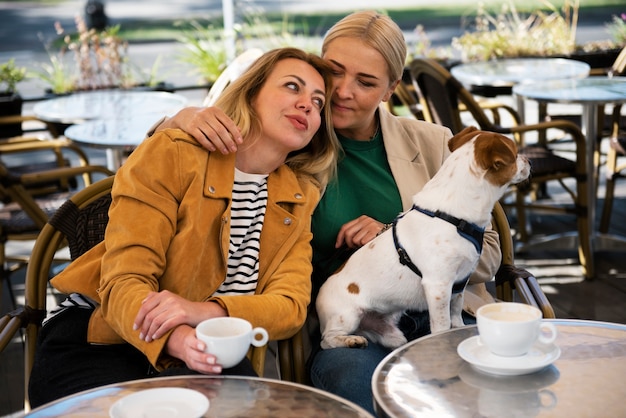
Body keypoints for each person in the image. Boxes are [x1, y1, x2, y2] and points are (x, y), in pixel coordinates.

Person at [152, 11, 501, 414]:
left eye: (366, 82)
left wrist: (399, 243)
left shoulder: (437, 144)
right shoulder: (285, 139)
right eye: (334, 72)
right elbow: (174, 165)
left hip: (444, 313)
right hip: (348, 322)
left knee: (492, 388)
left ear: (391, 89)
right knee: (359, 390)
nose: (341, 92)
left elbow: (491, 250)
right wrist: (180, 118)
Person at [28, 47, 340, 408]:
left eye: (318, 102)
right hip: (101, 339)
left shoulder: (298, 196)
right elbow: (123, 281)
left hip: (208, 353)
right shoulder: (175, 153)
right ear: (251, 93)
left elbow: (289, 305)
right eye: (292, 87)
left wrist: (204, 313)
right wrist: (175, 337)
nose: (307, 105)